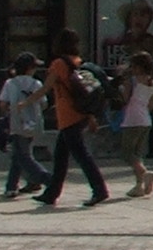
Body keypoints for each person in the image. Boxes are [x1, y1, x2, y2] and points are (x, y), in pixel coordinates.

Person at [37, 29, 109, 208]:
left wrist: (27, 102)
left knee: (81, 155)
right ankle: (51, 193)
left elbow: (46, 87)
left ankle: (99, 189)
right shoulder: (78, 62)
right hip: (81, 113)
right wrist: (91, 116)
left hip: (68, 115)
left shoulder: (59, 64)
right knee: (61, 155)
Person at [0, 54, 47, 199]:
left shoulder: (10, 83)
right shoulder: (36, 84)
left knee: (22, 155)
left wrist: (8, 114)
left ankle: (46, 178)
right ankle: (15, 185)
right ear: (29, 69)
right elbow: (44, 103)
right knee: (19, 154)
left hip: (17, 122)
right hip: (34, 123)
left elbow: (3, 103)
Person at [118, 51, 153, 197]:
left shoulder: (133, 81)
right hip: (145, 119)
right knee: (138, 154)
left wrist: (121, 87)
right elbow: (152, 103)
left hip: (132, 119)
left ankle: (144, 174)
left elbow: (125, 98)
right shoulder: (152, 82)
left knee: (127, 153)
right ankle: (139, 185)